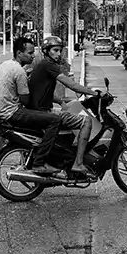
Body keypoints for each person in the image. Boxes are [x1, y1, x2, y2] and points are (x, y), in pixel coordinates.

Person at [29, 34, 98, 177]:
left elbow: (43, 91)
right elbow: (72, 85)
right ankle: (78, 163)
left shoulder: (42, 65)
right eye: (55, 50)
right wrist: (95, 93)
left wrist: (60, 101)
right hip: (43, 112)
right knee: (86, 121)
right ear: (46, 51)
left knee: (69, 116)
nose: (58, 53)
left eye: (60, 50)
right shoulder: (49, 65)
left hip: (39, 109)